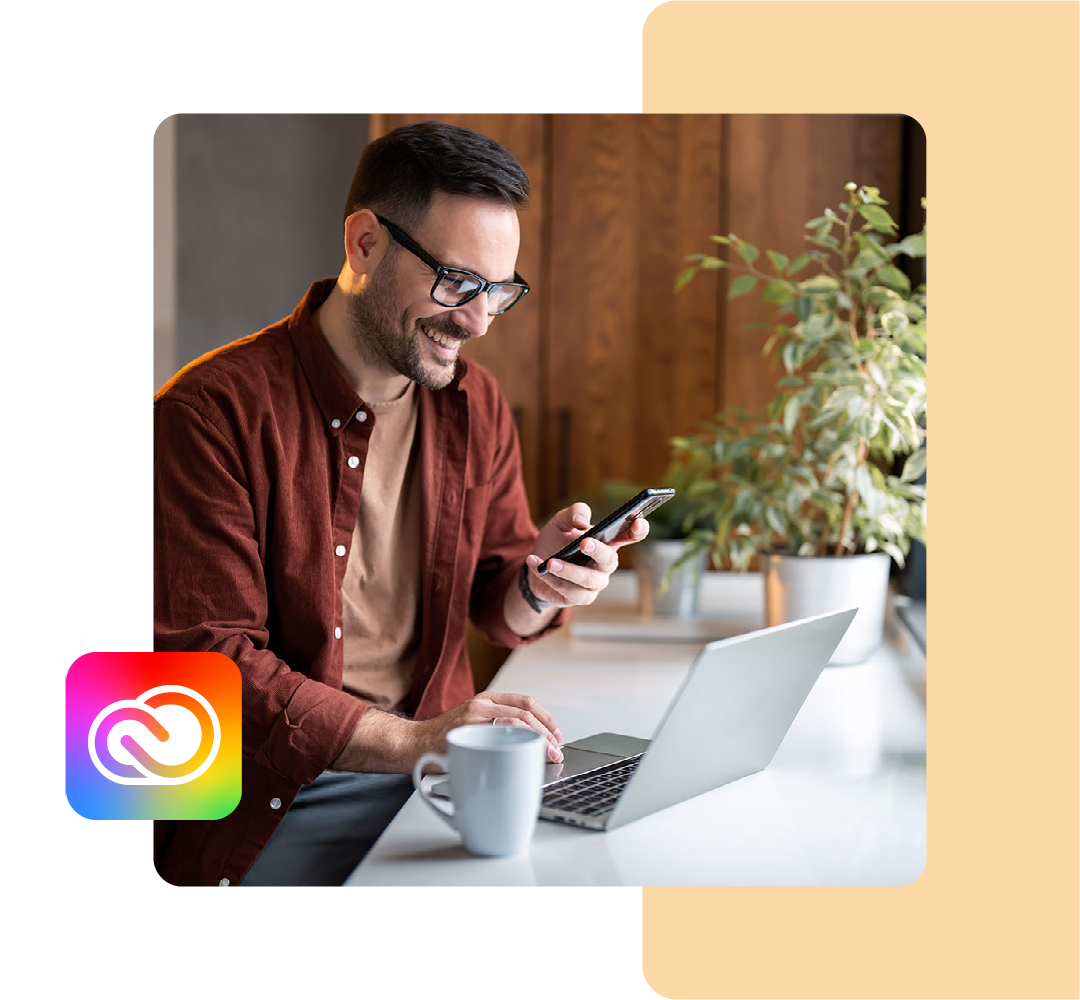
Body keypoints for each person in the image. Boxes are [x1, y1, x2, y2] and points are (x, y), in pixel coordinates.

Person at [153, 121, 649, 886]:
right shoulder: (207, 415)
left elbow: (494, 604)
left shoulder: (473, 404)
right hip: (278, 801)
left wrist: (538, 581)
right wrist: (421, 742)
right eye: (457, 283)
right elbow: (210, 671)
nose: (479, 321)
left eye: (499, 292)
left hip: (439, 778)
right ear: (364, 244)